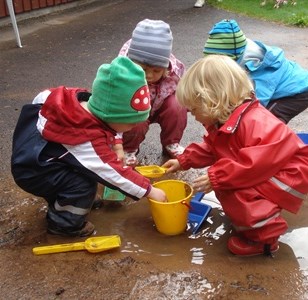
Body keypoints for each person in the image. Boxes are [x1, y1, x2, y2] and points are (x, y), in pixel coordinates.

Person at [162, 55, 308, 256]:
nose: (193, 116)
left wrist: (218, 178)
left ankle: (264, 238)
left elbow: (253, 166)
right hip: (267, 168)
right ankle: (251, 220)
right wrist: (183, 160)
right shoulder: (227, 120)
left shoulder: (254, 122)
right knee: (227, 181)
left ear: (212, 100)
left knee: (235, 188)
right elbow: (213, 146)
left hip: (287, 174)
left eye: (194, 110)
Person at [11, 56, 167, 238]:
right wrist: (150, 190)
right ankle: (64, 224)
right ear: (111, 116)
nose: (133, 127)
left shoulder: (78, 100)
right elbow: (114, 173)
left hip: (35, 153)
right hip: (34, 171)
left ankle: (69, 199)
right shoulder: (84, 139)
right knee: (84, 184)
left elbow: (42, 97)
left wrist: (117, 144)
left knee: (83, 169)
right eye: (131, 124)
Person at [202, 19, 308, 124]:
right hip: (283, 86)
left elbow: (259, 102)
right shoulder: (241, 52)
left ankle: (274, 139)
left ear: (233, 58)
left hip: (298, 91)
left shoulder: (259, 68)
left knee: (266, 121)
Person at [119, 19, 187, 166]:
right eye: (143, 70)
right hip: (133, 110)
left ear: (165, 67)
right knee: (136, 118)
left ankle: (172, 143)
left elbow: (186, 89)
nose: (149, 75)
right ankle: (128, 149)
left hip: (160, 105)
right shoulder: (121, 73)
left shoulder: (172, 72)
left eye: (156, 70)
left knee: (177, 105)